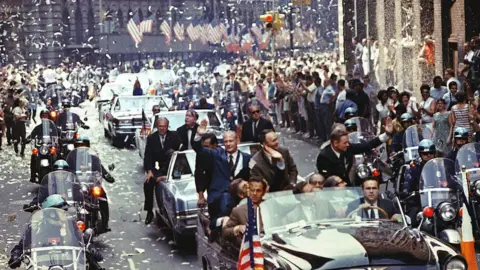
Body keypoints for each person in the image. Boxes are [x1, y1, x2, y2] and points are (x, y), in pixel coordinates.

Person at [8, 195, 105, 270]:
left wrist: (90, 248)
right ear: (52, 214)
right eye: (63, 211)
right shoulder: (36, 228)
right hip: (42, 266)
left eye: (66, 210)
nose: (66, 213)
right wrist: (16, 255)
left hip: (70, 265)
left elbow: (82, 240)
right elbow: (20, 246)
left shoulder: (71, 226)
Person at [193, 120, 251, 225]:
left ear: (237, 140)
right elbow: (200, 150)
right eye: (226, 142)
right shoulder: (216, 155)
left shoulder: (247, 158)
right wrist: (198, 135)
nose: (228, 144)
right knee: (225, 199)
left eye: (231, 141)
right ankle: (216, 227)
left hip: (240, 198)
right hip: (218, 199)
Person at [316, 118, 393, 185]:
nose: (347, 145)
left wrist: (386, 134)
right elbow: (327, 181)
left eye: (348, 142)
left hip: (348, 186)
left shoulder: (348, 148)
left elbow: (367, 145)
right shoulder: (324, 157)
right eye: (344, 143)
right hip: (333, 190)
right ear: (335, 143)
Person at [143, 117, 181, 224]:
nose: (162, 129)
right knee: (148, 183)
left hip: (173, 167)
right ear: (157, 126)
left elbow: (179, 154)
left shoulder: (174, 136)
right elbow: (148, 156)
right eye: (160, 126)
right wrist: (149, 171)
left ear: (167, 126)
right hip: (159, 167)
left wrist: (168, 175)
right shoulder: (152, 138)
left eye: (164, 126)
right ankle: (149, 211)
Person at [222, 178, 267, 245]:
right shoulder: (238, 211)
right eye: (252, 190)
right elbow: (225, 232)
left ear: (263, 192)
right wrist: (238, 228)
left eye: (258, 191)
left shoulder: (271, 204)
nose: (254, 193)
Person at [195, 133, 218, 207]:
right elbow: (199, 174)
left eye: (206, 147)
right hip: (210, 189)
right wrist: (201, 196)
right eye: (203, 147)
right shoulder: (201, 155)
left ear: (214, 145)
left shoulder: (223, 154)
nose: (204, 149)